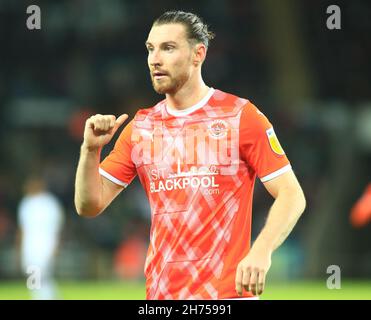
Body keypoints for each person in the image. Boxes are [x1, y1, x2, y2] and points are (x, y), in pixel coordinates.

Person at [74, 11, 306, 300]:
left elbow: (292, 195)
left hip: (228, 296)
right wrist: (90, 150)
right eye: (150, 49)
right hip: (160, 297)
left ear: (199, 54)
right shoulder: (141, 127)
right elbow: (89, 205)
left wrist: (262, 250)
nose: (154, 59)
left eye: (168, 48)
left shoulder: (240, 116)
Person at [17, 176, 64, 300]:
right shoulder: (26, 203)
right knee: (34, 275)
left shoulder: (50, 203)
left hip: (46, 245)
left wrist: (56, 245)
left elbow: (57, 226)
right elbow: (23, 228)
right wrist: (21, 247)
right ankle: (47, 296)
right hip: (30, 246)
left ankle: (43, 297)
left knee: (39, 274)